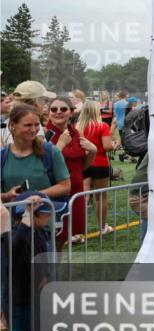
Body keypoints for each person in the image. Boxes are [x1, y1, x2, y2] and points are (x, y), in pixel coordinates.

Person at [1, 194, 54, 331]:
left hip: (30, 293)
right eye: (47, 213)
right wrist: (27, 216)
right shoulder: (17, 236)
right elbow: (16, 245)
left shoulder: (39, 231)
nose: (50, 217)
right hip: (18, 297)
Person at [44, 96, 96, 246]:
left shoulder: (75, 133)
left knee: (62, 239)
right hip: (57, 194)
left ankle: (54, 270)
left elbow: (80, 167)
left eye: (63, 109)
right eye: (53, 109)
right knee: (51, 239)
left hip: (76, 192)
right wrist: (60, 145)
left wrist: (93, 152)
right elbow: (44, 166)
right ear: (48, 113)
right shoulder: (45, 134)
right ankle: (47, 269)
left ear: (71, 112)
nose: (58, 112)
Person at [77, 100, 116, 239]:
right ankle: (102, 227)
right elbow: (107, 146)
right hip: (100, 164)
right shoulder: (102, 126)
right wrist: (114, 145)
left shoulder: (77, 127)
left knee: (82, 197)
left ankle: (77, 232)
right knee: (101, 197)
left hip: (83, 164)